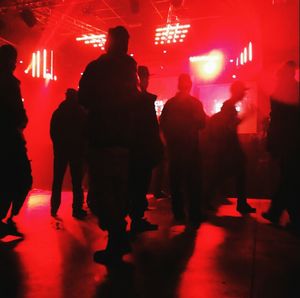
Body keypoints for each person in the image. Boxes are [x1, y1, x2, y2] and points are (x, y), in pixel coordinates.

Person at [78, 26, 138, 264]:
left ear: (108, 42)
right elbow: (133, 101)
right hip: (124, 141)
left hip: (101, 139)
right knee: (118, 192)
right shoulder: (129, 69)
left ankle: (116, 239)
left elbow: (83, 98)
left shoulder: (96, 68)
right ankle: (118, 237)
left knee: (100, 195)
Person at [160, 73, 206, 228]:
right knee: (193, 183)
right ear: (190, 85)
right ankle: (194, 214)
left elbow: (163, 125)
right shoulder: (195, 104)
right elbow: (202, 124)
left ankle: (178, 213)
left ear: (179, 85)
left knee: (176, 183)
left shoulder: (170, 104)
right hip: (191, 148)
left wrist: (168, 141)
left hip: (175, 149)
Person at [207, 81, 256, 214]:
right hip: (229, 147)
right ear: (237, 92)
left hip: (227, 147)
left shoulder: (228, 106)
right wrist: (245, 117)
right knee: (227, 173)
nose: (244, 94)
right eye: (243, 91)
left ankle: (205, 200)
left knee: (222, 174)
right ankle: (240, 204)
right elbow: (229, 126)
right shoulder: (229, 106)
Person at [262, 61, 300, 233]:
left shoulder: (277, 94)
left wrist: (271, 142)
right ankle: (287, 215)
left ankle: (278, 212)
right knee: (291, 179)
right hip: (294, 142)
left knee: (289, 178)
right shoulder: (295, 89)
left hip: (286, 143)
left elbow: (275, 121)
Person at [0, 44, 32, 238]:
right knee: (22, 178)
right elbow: (16, 113)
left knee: (7, 178)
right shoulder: (10, 83)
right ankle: (8, 217)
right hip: (10, 138)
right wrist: (22, 119)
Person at [128, 65, 163, 233]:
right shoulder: (143, 101)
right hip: (142, 151)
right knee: (140, 185)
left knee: (135, 185)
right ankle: (136, 219)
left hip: (134, 151)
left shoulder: (130, 100)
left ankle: (135, 218)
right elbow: (151, 128)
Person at [50, 88, 87, 219]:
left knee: (57, 180)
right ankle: (77, 209)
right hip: (76, 151)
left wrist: (57, 146)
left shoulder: (58, 112)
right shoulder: (81, 112)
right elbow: (86, 132)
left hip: (61, 151)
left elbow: (53, 132)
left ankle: (54, 207)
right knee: (77, 182)